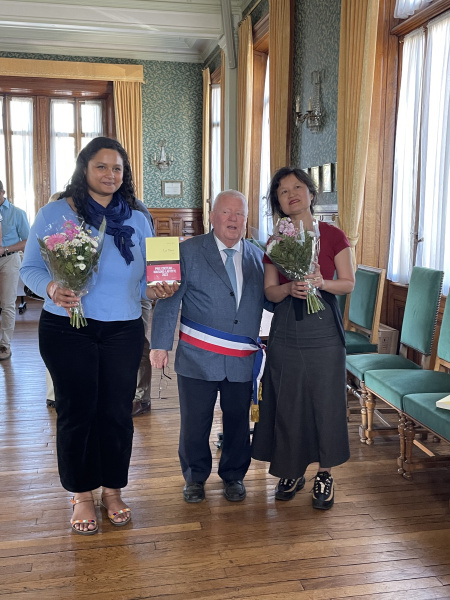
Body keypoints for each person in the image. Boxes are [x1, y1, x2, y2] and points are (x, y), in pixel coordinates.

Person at [20, 136, 177, 535]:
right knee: (77, 412)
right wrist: (52, 288)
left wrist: (156, 290)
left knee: (117, 413)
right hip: (67, 328)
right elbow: (30, 268)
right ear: (85, 169)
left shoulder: (138, 218)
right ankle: (81, 494)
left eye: (117, 168)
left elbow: (142, 281)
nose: (110, 174)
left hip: (123, 329)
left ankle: (112, 490)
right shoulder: (56, 213)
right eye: (101, 166)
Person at [150, 190, 266, 504]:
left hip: (241, 359)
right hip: (197, 357)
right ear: (212, 217)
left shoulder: (259, 256)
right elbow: (168, 301)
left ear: (246, 219)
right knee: (195, 423)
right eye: (226, 212)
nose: (233, 219)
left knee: (238, 421)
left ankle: (234, 475)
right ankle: (195, 477)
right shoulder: (188, 251)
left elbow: (271, 300)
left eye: (239, 214)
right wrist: (160, 345)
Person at [251, 167, 355, 510]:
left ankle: (325, 474)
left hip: (324, 329)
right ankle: (291, 470)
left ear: (311, 193)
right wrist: (288, 288)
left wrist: (321, 283)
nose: (291, 194)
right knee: (287, 400)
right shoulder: (275, 242)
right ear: (278, 202)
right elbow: (270, 290)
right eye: (283, 191)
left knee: (325, 401)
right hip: (286, 328)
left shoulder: (333, 235)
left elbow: (348, 283)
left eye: (297, 187)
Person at [0, 181, 30, 361]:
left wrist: (5, 249)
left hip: (9, 258)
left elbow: (27, 241)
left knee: (8, 303)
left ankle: (4, 345)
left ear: (2, 192)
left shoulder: (17, 213)